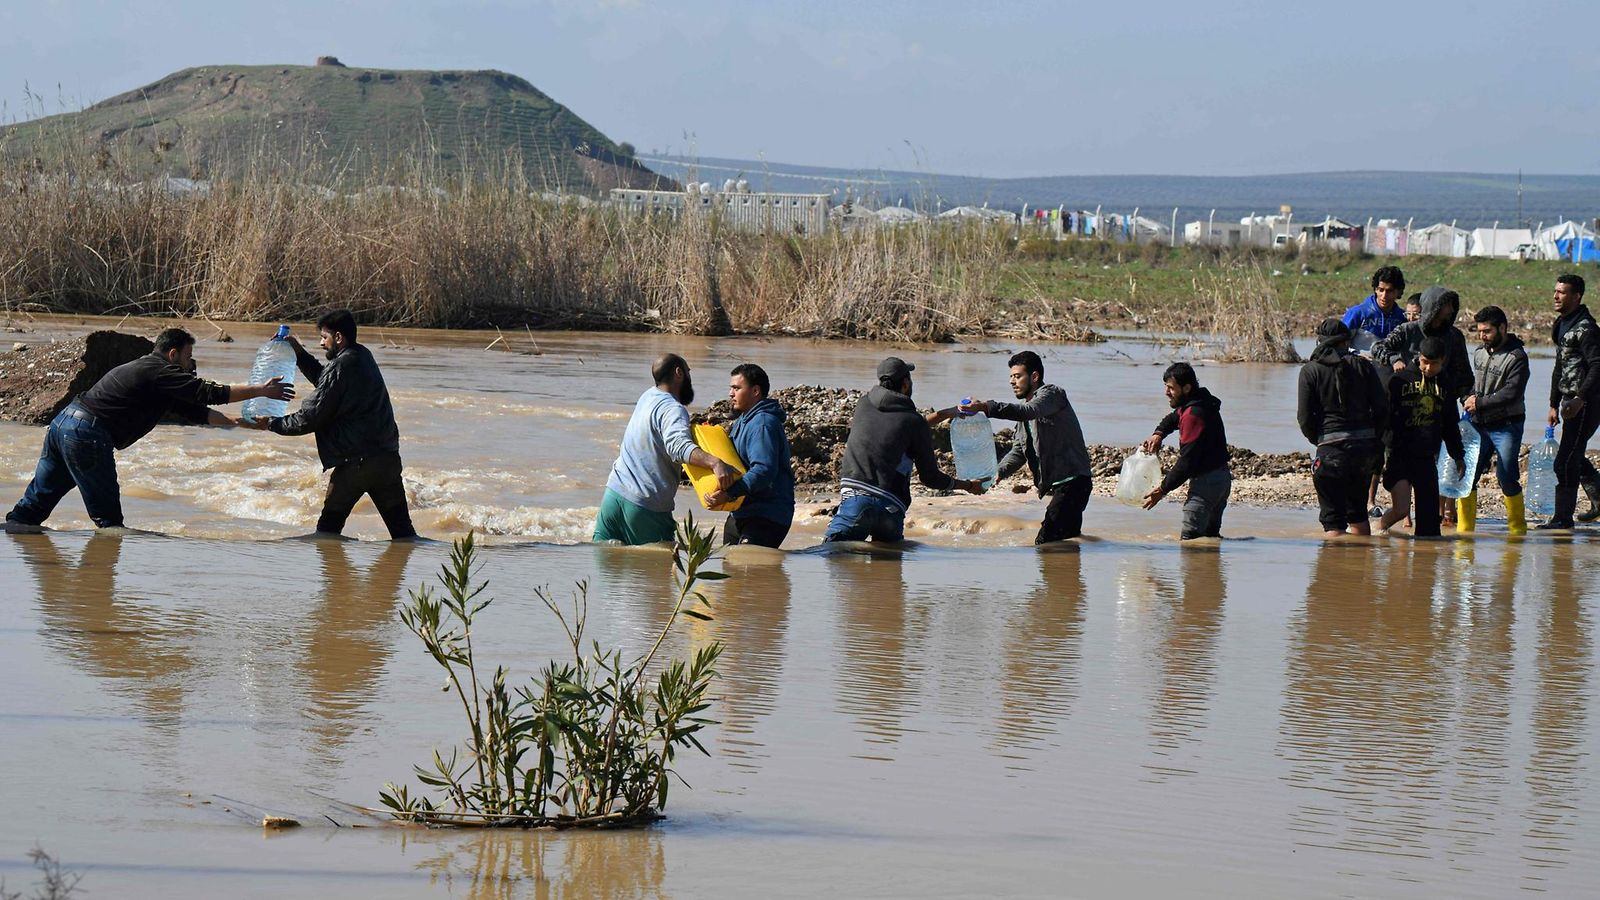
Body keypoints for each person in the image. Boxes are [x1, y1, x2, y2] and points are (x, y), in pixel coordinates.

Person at [5, 328, 293, 530]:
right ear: (173, 353)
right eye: (188, 356)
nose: (190, 363)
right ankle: (96, 588)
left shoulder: (154, 375)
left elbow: (195, 411)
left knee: (31, 509)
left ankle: (13, 538)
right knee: (109, 521)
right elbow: (208, 393)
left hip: (63, 425)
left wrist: (236, 422)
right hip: (86, 433)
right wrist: (260, 390)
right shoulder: (160, 371)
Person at [248, 311, 417, 540]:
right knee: (404, 535)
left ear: (338, 337)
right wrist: (298, 353)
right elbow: (327, 382)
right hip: (386, 459)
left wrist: (271, 423)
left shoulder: (342, 366)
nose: (320, 343)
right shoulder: (361, 356)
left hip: (355, 465)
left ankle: (334, 576)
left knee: (327, 534)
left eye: (324, 337)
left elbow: (310, 418)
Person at [824, 357, 984, 543]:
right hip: (890, 509)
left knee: (834, 557)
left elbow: (901, 428)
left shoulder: (863, 405)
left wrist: (946, 414)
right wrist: (969, 485)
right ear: (906, 383)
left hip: (855, 502)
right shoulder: (913, 422)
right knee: (887, 570)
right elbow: (930, 478)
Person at [594, 353, 737, 545]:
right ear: (679, 373)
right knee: (659, 571)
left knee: (608, 570)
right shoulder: (673, 409)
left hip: (613, 496)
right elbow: (677, 447)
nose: (690, 379)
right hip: (644, 504)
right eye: (688, 372)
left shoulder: (647, 397)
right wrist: (715, 462)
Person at [961, 351, 1092, 543]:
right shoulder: (1024, 418)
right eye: (1011, 377)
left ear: (1035, 376)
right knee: (1065, 544)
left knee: (1045, 543)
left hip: (1074, 481)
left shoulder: (1052, 394)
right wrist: (996, 474)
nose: (1012, 382)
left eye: (1017, 376)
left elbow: (1029, 411)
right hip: (1059, 485)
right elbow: (1019, 452)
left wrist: (986, 407)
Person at [1298, 319, 1389, 538]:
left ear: (1319, 341)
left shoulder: (1310, 371)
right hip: (1364, 452)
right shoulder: (1363, 366)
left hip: (1331, 452)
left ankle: (1336, 570)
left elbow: (1304, 418)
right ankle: (1360, 570)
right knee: (1358, 515)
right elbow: (1382, 409)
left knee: (1334, 523)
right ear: (1346, 342)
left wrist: (1320, 440)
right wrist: (1375, 442)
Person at [1377, 338, 1465, 537]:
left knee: (1430, 525)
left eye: (1434, 363)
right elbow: (1382, 418)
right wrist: (1378, 452)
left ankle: (1425, 563)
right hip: (1398, 454)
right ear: (1419, 357)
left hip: (1426, 457)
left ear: (1443, 361)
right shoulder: (1399, 380)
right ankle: (1378, 530)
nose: (1428, 367)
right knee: (1401, 510)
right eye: (1425, 361)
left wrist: (1458, 455)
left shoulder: (1446, 384)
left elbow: (1451, 424)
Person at [705, 363, 795, 548]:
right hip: (741, 511)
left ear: (755, 391)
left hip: (767, 515)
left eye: (737, 388)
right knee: (730, 571)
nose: (731, 393)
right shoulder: (743, 421)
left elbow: (764, 470)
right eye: (731, 388)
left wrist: (729, 494)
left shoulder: (763, 424)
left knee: (749, 570)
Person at [1138, 362, 1231, 539]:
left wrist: (1162, 490)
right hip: (1222, 479)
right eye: (1166, 387)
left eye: (1171, 388)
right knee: (1210, 540)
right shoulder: (1200, 402)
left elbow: (1187, 463)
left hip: (1207, 485)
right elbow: (1173, 418)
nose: (1166, 392)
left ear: (1186, 388)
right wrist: (1158, 434)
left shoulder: (1193, 415)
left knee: (1191, 543)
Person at [1461, 305, 1529, 534]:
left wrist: (1478, 403)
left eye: (1487, 331)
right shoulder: (1479, 352)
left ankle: (1518, 530)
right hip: (1478, 424)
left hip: (1507, 426)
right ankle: (1464, 532)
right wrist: (1467, 397)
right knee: (1468, 475)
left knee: (1506, 476)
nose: (1482, 336)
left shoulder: (1517, 357)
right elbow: (1474, 384)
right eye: (1479, 331)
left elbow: (1512, 393)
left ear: (1503, 328)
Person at [1539, 274, 1600, 529]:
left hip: (1587, 402)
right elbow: (1560, 366)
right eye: (1555, 291)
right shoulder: (1561, 324)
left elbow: (1598, 365)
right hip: (1567, 401)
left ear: (1576, 296)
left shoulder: (1587, 329)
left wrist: (1580, 399)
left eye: (1561, 292)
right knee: (1572, 454)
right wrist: (1553, 404)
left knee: (1564, 460)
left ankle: (1563, 519)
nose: (1555, 296)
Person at [1372, 285, 1473, 402]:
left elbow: (1464, 375)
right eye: (1447, 305)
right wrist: (1394, 359)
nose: (1451, 309)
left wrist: (1466, 398)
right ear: (1434, 307)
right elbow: (1377, 348)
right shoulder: (1407, 330)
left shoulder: (1454, 336)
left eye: (1452, 305)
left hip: (1440, 398)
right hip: (1408, 396)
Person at [1341, 265, 1407, 350]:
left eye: (1390, 291)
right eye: (1381, 290)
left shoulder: (1402, 318)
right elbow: (1340, 344)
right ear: (1375, 289)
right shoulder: (1357, 313)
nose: (1384, 296)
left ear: (1399, 291)